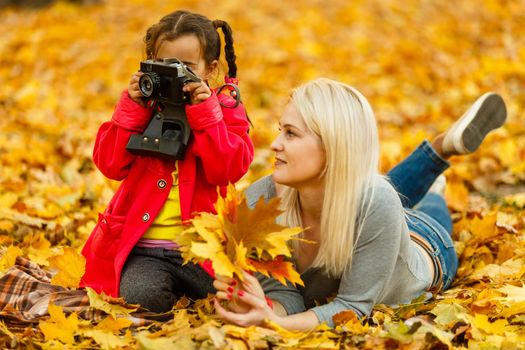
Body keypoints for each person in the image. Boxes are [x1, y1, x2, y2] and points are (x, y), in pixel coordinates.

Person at [213, 78, 507, 330]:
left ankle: (436, 186)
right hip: (365, 205)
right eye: (280, 130)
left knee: (404, 202)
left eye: (290, 133)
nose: (275, 144)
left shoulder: (377, 203)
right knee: (371, 193)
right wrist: (261, 306)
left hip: (426, 245)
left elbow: (353, 307)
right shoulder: (260, 199)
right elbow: (287, 294)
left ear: (333, 145)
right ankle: (439, 155)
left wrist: (278, 324)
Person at [80, 10, 254, 313]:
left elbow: (227, 170)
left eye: (184, 67)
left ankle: (188, 302)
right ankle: (173, 303)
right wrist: (131, 110)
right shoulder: (143, 106)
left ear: (209, 70)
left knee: (237, 303)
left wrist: (205, 115)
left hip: (203, 251)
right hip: (145, 251)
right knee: (141, 298)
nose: (172, 73)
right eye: (162, 64)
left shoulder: (224, 108)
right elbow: (110, 164)